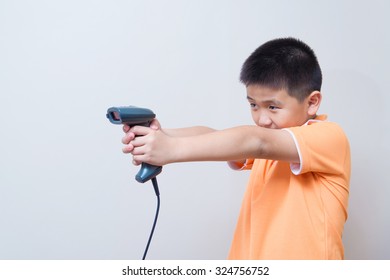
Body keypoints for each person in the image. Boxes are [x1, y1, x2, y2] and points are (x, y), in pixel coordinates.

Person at [121, 37, 351, 259]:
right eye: (253, 105)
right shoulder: (273, 141)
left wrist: (171, 150)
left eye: (272, 107)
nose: (261, 119)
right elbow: (218, 137)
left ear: (312, 102)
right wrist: (163, 135)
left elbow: (255, 141)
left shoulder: (328, 137)